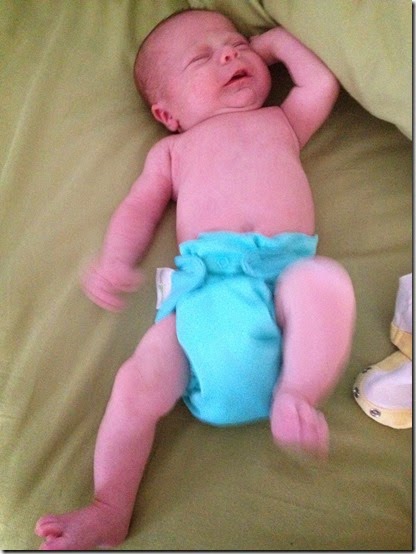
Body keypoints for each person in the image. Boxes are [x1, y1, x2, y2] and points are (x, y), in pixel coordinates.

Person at [35, 8, 355, 550]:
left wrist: (275, 41)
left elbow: (319, 82)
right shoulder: (172, 152)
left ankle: (298, 394)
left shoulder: (280, 121)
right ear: (168, 113)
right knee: (135, 382)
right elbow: (138, 208)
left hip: (282, 283)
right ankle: (110, 505)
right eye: (202, 58)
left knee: (323, 283)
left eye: (236, 44)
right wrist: (117, 259)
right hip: (204, 296)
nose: (230, 53)